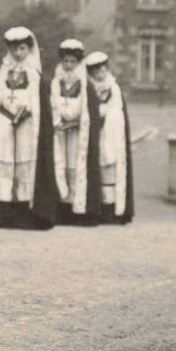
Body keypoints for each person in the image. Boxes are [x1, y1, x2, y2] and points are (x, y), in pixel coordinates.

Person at [0, 27, 58, 230]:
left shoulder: (35, 76)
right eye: (14, 48)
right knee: (2, 165)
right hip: (3, 124)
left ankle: (25, 212)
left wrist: (25, 112)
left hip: (27, 126)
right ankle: (1, 211)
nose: (17, 53)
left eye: (22, 48)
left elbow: (41, 105)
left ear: (29, 49)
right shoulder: (2, 73)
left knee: (25, 166)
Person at [49, 38, 100, 225]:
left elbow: (87, 109)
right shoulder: (56, 83)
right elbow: (53, 104)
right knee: (61, 165)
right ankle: (61, 206)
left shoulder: (85, 85)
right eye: (66, 61)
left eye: (73, 62)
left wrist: (76, 119)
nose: (69, 65)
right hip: (60, 132)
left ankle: (76, 208)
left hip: (78, 133)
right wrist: (57, 120)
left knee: (75, 166)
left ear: (78, 63)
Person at [84, 51, 134, 224]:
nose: (100, 74)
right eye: (95, 71)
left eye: (102, 70)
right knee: (97, 172)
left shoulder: (114, 89)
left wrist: (106, 114)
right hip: (96, 136)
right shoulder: (89, 89)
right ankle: (98, 209)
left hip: (111, 137)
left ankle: (111, 210)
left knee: (111, 174)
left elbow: (117, 112)